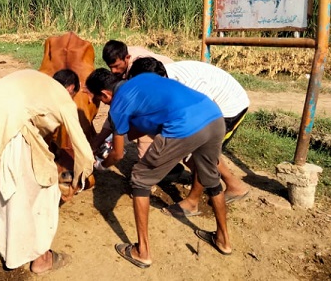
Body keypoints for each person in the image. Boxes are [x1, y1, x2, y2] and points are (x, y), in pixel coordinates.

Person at [86, 68, 232, 268]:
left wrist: (101, 165)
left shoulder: (118, 105)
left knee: (140, 179)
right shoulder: (143, 79)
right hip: (213, 116)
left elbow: (118, 155)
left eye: (101, 100)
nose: (104, 104)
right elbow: (144, 124)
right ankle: (223, 240)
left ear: (105, 94)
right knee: (212, 178)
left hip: (184, 125)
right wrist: (117, 140)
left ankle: (142, 252)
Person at [0, 69, 94, 275]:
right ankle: (42, 259)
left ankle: (11, 253)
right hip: (11, 128)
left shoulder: (36, 81)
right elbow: (81, 144)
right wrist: (83, 174)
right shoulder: (61, 95)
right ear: (70, 89)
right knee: (43, 193)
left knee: (3, 193)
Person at [127, 58, 250, 217]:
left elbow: (203, 118)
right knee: (195, 148)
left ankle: (193, 202)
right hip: (208, 106)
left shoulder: (190, 85)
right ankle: (234, 185)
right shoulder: (162, 77)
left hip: (228, 107)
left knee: (201, 151)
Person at [99, 40, 174, 160]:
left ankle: (152, 163)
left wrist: (107, 138)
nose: (113, 71)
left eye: (116, 66)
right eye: (110, 67)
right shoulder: (121, 54)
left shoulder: (138, 72)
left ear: (127, 58)